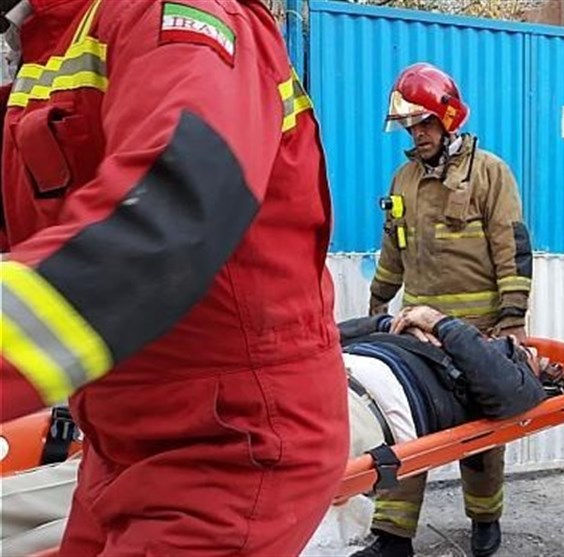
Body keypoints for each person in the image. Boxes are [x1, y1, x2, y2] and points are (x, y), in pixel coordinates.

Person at [0, 1, 348, 555]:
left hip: (226, 441)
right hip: (119, 439)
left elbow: (168, 218)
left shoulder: (172, 18)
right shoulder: (49, 44)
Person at [2, 305, 554, 556]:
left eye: (524, 353)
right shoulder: (429, 344)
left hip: (346, 414)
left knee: (182, 496)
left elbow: (514, 397)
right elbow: (326, 333)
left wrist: (442, 323)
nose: (518, 349)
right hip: (291, 382)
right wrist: (390, 322)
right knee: (125, 464)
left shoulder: (489, 374)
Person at [365, 61, 534, 557]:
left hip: (479, 330)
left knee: (482, 436)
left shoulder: (490, 173)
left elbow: (511, 247)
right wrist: (377, 303)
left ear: (447, 119)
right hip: (416, 334)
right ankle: (393, 534)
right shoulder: (403, 180)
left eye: (424, 123)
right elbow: (393, 250)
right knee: (403, 425)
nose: (417, 134)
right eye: (410, 126)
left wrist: (513, 319)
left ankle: (484, 520)